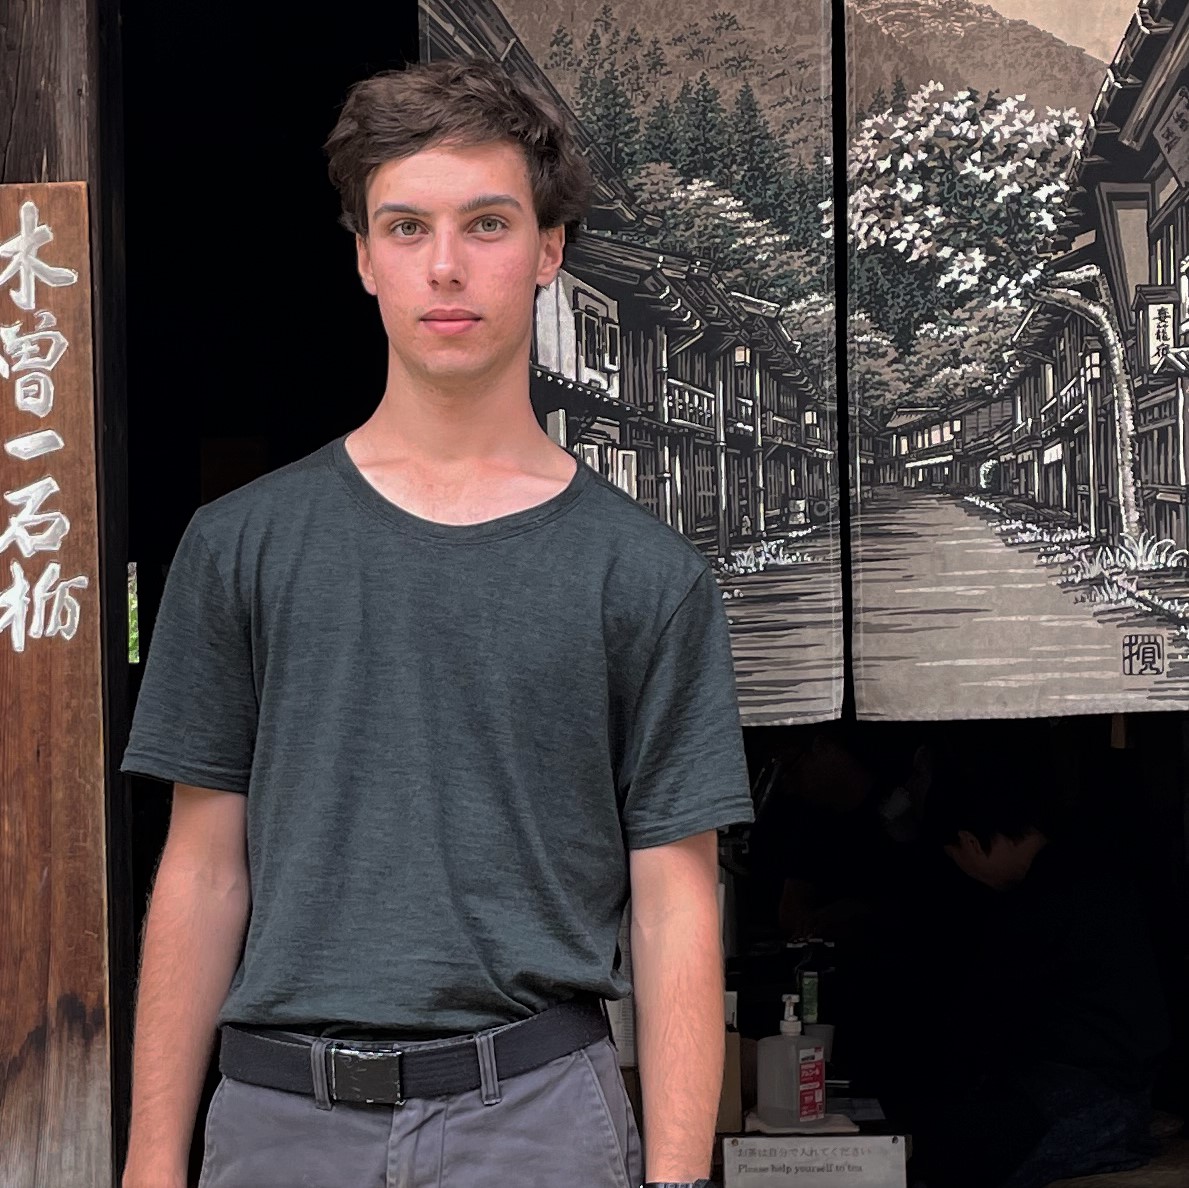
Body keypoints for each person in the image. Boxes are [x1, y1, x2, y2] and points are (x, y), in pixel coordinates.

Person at [119, 58, 754, 1188]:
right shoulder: (240, 547)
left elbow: (673, 902)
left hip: (541, 1118)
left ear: (548, 251)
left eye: (488, 223)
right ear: (363, 256)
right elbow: (204, 870)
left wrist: (675, 1177)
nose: (446, 266)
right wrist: (151, 1166)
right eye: (406, 226)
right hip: (279, 1123)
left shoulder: (646, 576)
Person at [900, 758, 1171, 1188]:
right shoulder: (1090, 869)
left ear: (970, 842)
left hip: (1084, 1097)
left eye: (958, 859)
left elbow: (988, 1020)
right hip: (1124, 1087)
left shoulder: (1038, 902)